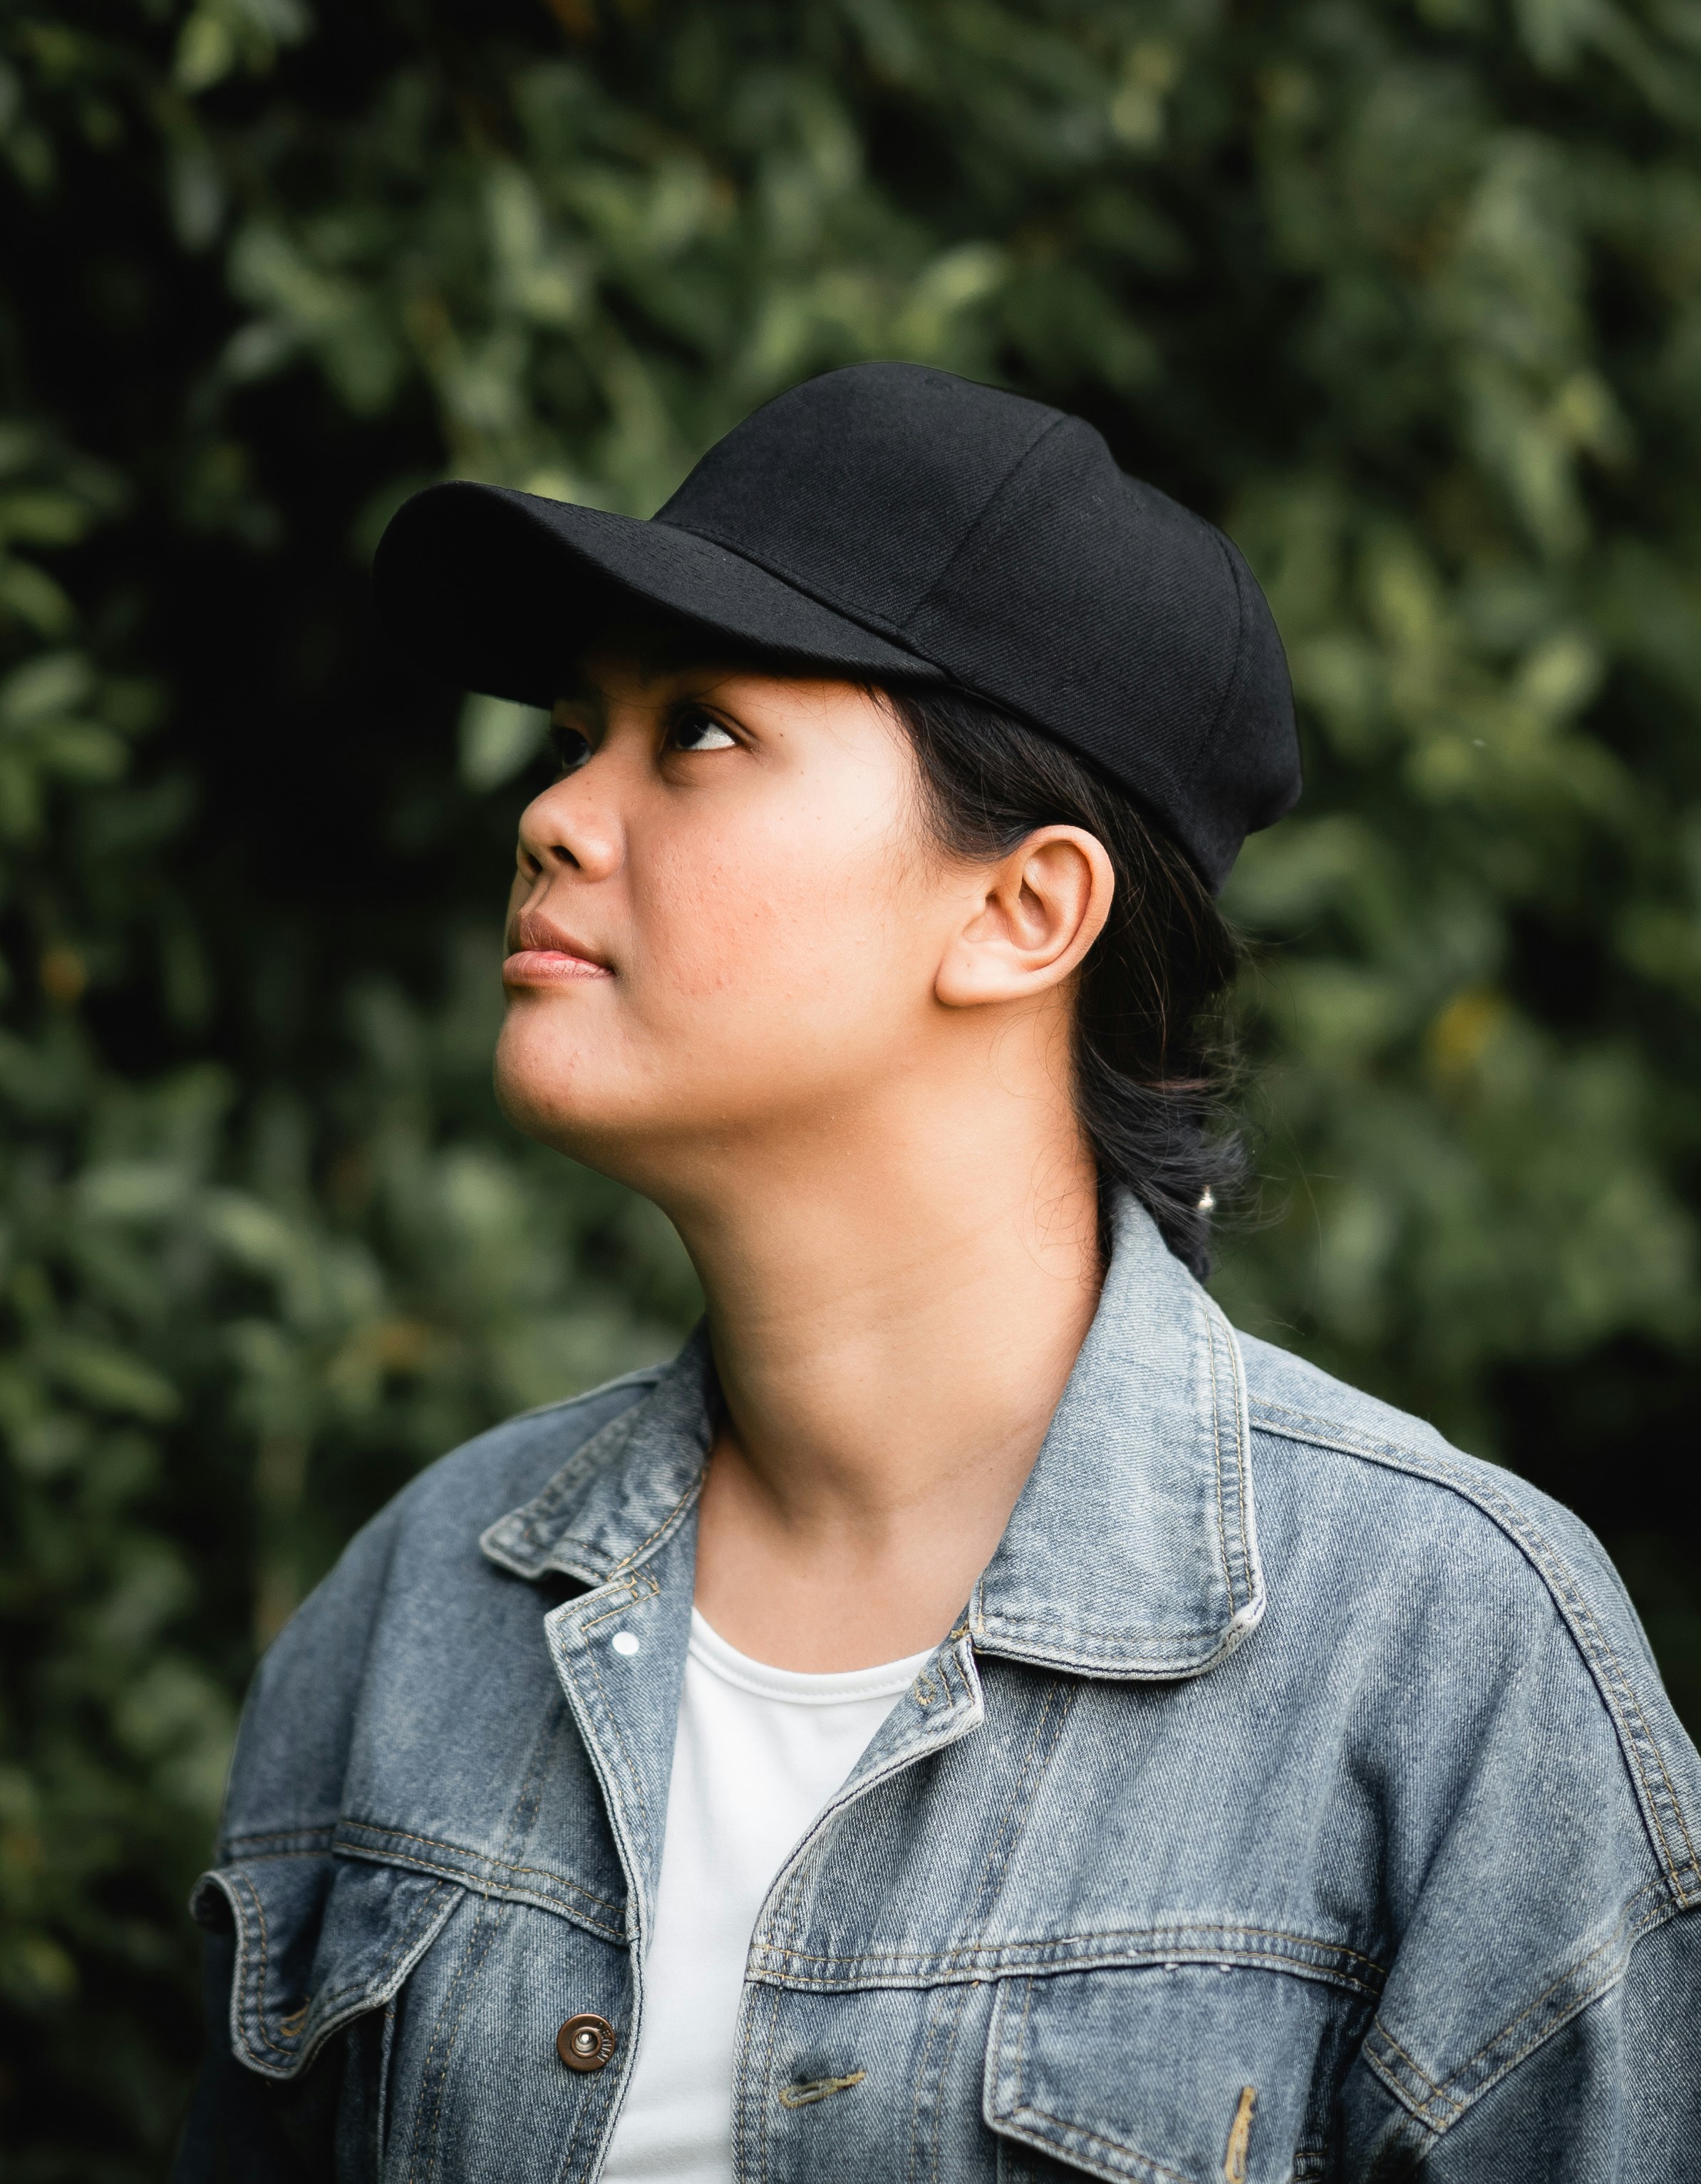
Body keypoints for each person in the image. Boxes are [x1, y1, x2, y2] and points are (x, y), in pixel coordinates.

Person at [177, 363, 1701, 2184]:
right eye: (578, 732)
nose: (560, 814)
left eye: (701, 736)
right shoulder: (417, 1607)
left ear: (1022, 913)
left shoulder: (1443, 1668)